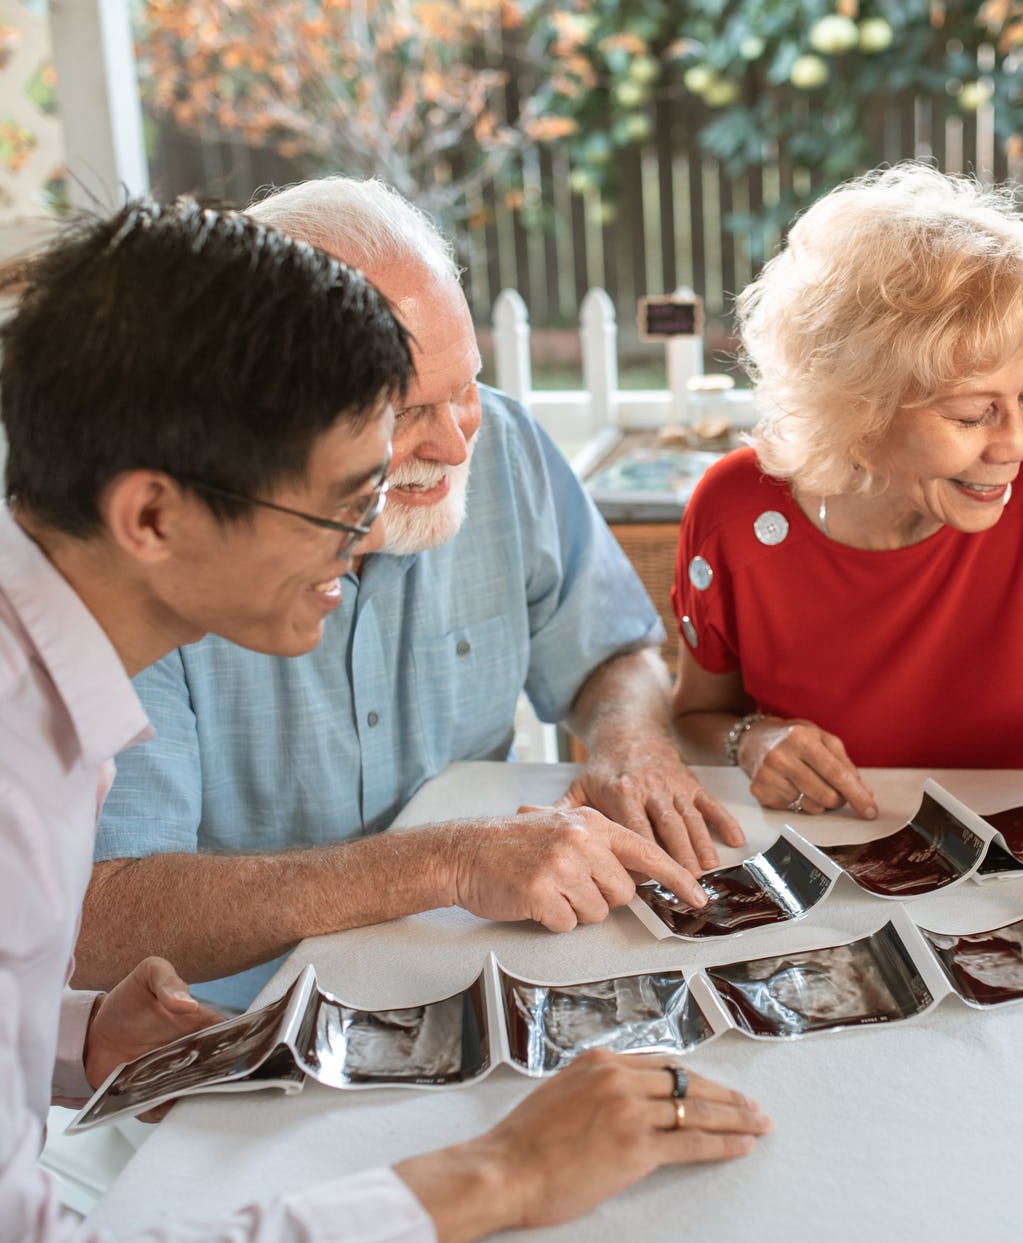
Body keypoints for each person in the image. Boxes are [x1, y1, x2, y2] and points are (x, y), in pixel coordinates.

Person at [0, 199, 768, 1243]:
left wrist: (69, 1036)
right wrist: (493, 1173)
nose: (366, 543)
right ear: (154, 518)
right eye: (344, 503)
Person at [82, 177, 732, 1010]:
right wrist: (450, 861)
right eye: (409, 410)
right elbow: (102, 916)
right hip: (250, 1016)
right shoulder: (162, 550)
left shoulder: (499, 441)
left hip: (487, 973)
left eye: (466, 386)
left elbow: (609, 653)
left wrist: (627, 746)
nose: (459, 440)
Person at [670, 166, 1023, 855]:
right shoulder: (736, 514)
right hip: (840, 864)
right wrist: (750, 739)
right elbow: (695, 714)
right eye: (972, 413)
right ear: (859, 412)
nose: (1017, 442)